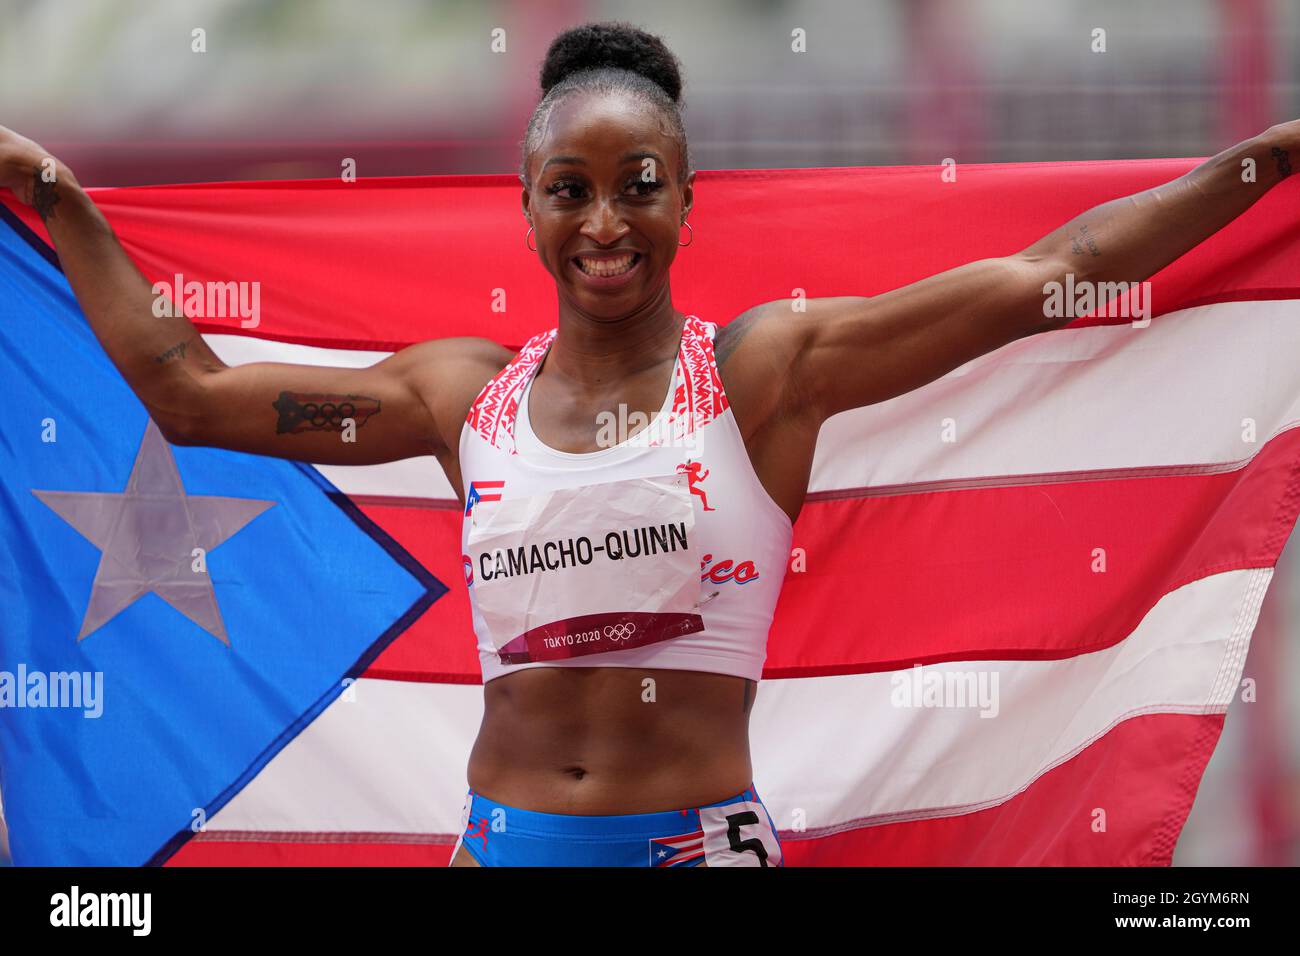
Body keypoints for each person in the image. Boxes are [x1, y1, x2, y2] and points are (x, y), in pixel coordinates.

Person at [0, 20, 1294, 867]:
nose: (606, 221)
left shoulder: (766, 376)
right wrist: (56, 198)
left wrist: (1272, 162)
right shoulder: (461, 399)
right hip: (501, 847)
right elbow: (191, 395)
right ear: (528, 208)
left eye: (638, 185)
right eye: (572, 189)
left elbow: (1049, 272)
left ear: (685, 195)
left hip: (701, 848)